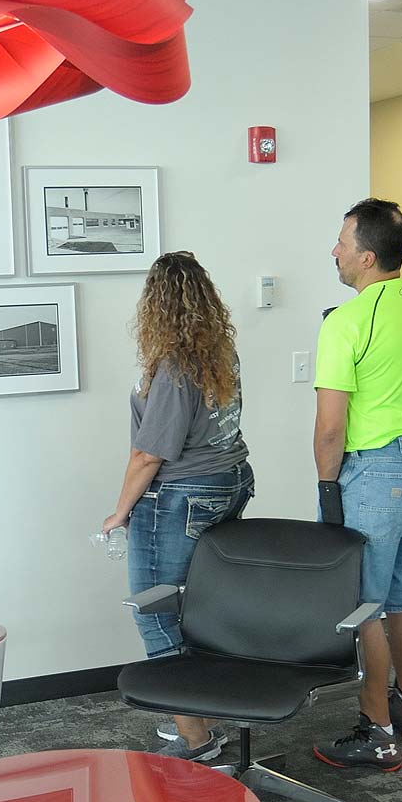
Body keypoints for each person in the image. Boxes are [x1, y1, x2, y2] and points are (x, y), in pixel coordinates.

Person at [99, 252, 254, 759]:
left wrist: (120, 511)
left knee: (156, 610)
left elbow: (149, 453)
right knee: (197, 608)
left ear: (156, 304)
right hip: (227, 482)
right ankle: (201, 712)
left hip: (180, 496)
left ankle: (196, 739)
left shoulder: (175, 366)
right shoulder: (220, 351)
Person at [310, 198, 402, 772]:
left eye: (342, 243)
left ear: (366, 257)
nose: (334, 251)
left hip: (377, 472)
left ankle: (377, 732)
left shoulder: (346, 322)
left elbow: (330, 427)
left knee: (364, 605)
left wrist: (328, 491)